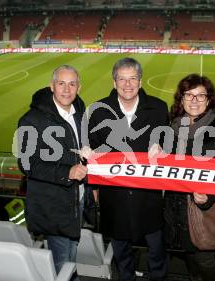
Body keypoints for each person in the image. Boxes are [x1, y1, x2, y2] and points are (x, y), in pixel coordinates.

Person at [88, 57, 168, 281]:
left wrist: (163, 149)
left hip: (150, 196)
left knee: (157, 251)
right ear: (114, 83)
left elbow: (169, 147)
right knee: (122, 255)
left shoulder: (159, 109)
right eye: (122, 79)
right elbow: (92, 152)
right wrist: (94, 187)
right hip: (114, 197)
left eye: (132, 78)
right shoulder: (98, 112)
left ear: (140, 82)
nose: (127, 84)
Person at [154, 74, 215, 281]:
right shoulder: (172, 129)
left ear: (209, 100)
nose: (194, 100)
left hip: (203, 212)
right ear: (181, 100)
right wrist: (156, 154)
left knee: (204, 260)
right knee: (190, 259)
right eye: (188, 95)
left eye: (200, 96)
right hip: (175, 209)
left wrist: (208, 196)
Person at [17, 65, 95, 280]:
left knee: (71, 253)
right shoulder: (31, 120)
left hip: (76, 199)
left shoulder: (79, 111)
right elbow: (27, 164)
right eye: (61, 83)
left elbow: (79, 145)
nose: (67, 89)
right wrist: (67, 172)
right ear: (52, 86)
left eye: (72, 84)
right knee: (62, 260)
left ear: (79, 87)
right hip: (53, 204)